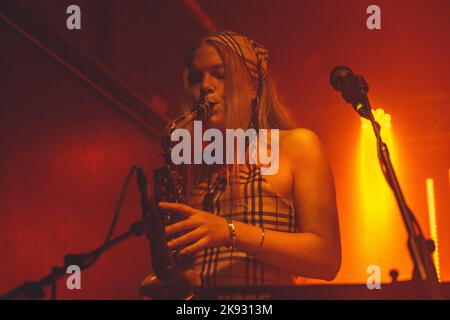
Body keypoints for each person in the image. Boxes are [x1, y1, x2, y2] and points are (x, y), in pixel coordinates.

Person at [158, 30, 341, 287]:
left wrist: (230, 231)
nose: (205, 86)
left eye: (220, 74)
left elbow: (327, 260)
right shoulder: (194, 168)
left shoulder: (297, 145)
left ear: (253, 86)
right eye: (197, 78)